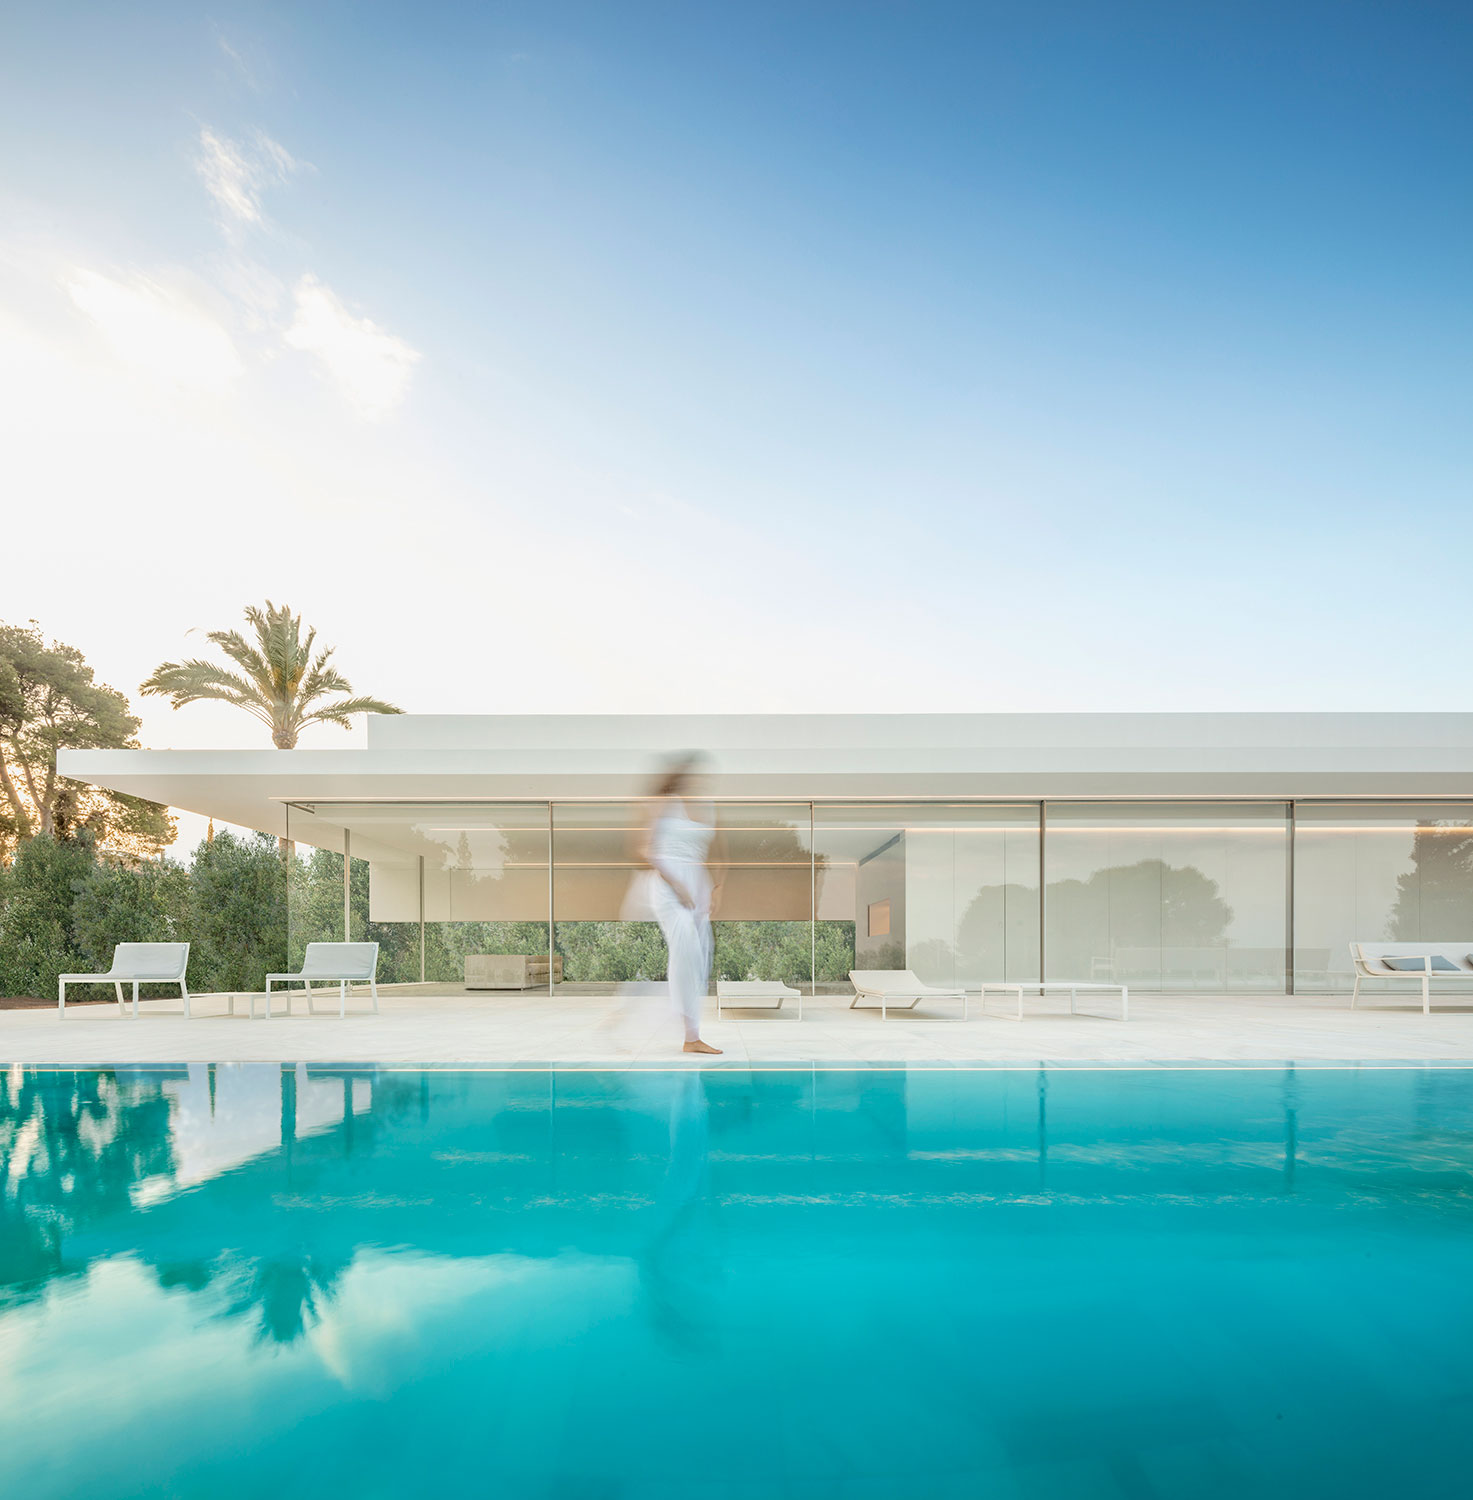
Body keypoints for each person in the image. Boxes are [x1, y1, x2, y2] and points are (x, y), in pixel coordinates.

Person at [639, 755, 723, 1054]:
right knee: (685, 946)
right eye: (693, 776)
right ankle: (669, 1018)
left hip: (698, 884)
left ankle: (692, 1036)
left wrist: (715, 888)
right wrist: (677, 886)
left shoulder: (708, 808)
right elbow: (647, 851)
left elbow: (717, 854)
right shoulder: (664, 804)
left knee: (699, 956)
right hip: (669, 883)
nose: (699, 782)